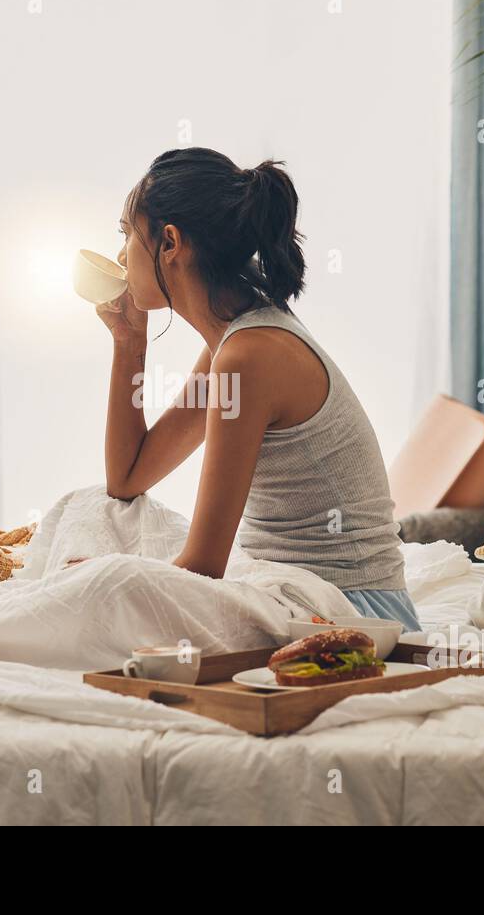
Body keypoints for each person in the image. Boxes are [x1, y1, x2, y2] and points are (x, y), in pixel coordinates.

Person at [90, 146, 418, 630]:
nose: (121, 255)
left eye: (126, 234)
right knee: (94, 525)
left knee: (93, 594)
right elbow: (129, 477)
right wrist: (128, 341)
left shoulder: (249, 356)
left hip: (347, 615)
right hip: (298, 595)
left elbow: (203, 566)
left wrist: (105, 582)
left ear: (169, 243)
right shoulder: (234, 337)